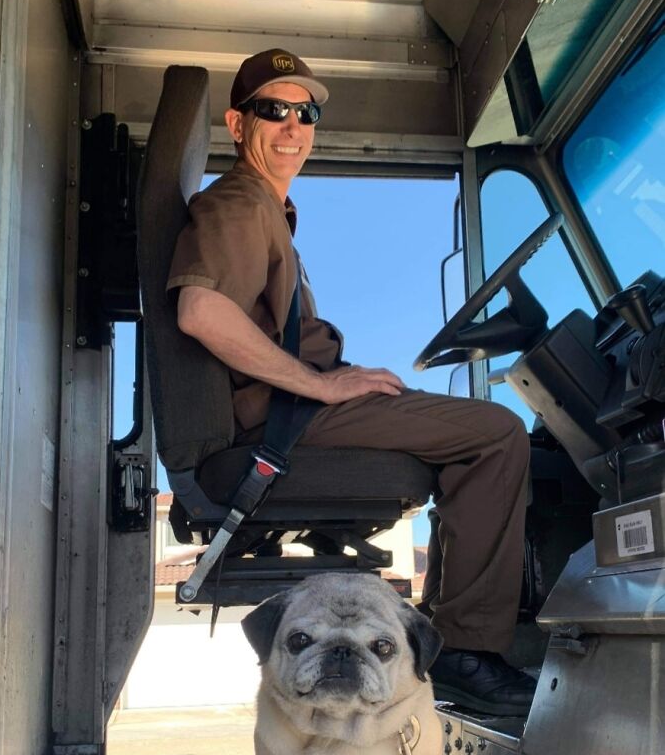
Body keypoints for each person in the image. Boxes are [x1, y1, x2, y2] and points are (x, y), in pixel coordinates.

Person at [167, 49, 536, 716]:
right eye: (271, 110)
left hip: (294, 407)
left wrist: (330, 381)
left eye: (304, 112)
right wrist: (324, 385)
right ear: (236, 122)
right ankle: (467, 650)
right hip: (285, 420)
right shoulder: (238, 201)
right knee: (498, 434)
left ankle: (455, 637)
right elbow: (200, 311)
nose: (291, 125)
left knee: (466, 437)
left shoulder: (270, 210)